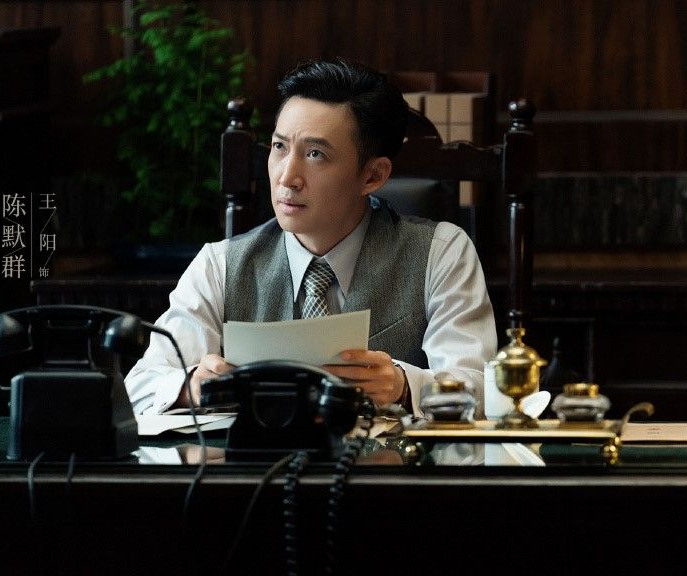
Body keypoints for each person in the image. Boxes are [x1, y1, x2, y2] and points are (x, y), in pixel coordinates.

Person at [124, 59, 497, 416]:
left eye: (315, 154)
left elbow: (482, 389)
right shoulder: (220, 264)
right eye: (279, 147)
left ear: (373, 176)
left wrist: (403, 385)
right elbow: (139, 386)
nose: (287, 177)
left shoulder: (440, 253)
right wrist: (192, 386)